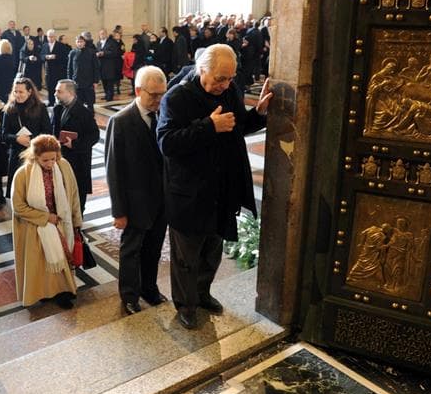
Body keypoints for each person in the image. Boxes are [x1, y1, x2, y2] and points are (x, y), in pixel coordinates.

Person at [157, 44, 272, 329]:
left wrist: (257, 113)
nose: (225, 84)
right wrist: (208, 126)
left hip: (221, 189)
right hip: (189, 194)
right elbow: (166, 143)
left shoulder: (230, 91)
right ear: (202, 70)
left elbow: (235, 126)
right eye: (220, 78)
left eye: (230, 78)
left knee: (212, 249)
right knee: (187, 256)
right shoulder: (177, 97)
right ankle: (185, 305)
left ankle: (203, 293)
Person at [105, 66, 168, 315]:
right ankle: (129, 296)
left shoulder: (163, 116)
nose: (159, 100)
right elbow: (113, 170)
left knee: (154, 248)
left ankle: (149, 289)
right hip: (134, 203)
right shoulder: (120, 121)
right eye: (153, 94)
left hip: (160, 201)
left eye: (162, 94)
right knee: (131, 251)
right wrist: (119, 211)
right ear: (138, 90)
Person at [11, 135, 83, 309]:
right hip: (34, 226)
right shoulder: (23, 174)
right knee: (41, 263)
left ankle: (63, 292)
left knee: (62, 260)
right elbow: (18, 206)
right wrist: (45, 218)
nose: (51, 163)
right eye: (45, 160)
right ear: (35, 156)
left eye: (54, 158)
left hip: (61, 222)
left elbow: (73, 194)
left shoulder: (64, 166)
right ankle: (44, 292)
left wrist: (76, 220)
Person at [52, 79, 99, 214]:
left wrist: (75, 144)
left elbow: (94, 135)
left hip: (78, 161)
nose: (55, 93)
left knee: (78, 194)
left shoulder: (84, 112)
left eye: (59, 91)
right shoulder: (58, 108)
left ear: (70, 93)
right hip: (61, 158)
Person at [2, 77, 52, 197]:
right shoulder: (9, 109)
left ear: (29, 92)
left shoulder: (40, 108)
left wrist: (32, 140)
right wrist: (17, 139)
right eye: (15, 91)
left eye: (21, 92)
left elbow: (48, 132)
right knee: (19, 192)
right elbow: (4, 135)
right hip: (17, 155)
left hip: (35, 154)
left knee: (35, 192)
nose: (17, 95)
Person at [67, 34, 100, 108]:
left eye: (81, 41)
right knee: (78, 104)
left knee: (90, 103)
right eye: (78, 42)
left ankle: (90, 118)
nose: (79, 43)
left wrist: (96, 81)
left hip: (89, 81)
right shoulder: (72, 53)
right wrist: (70, 81)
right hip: (77, 82)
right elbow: (69, 68)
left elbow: (96, 67)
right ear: (76, 43)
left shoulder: (91, 52)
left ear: (84, 42)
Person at [41, 29, 68, 106]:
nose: (50, 38)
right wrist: (46, 57)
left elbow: (64, 57)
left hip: (58, 71)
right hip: (48, 71)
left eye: (52, 37)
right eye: (49, 37)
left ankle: (61, 102)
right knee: (50, 87)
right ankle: (51, 102)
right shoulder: (45, 45)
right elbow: (41, 56)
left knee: (59, 88)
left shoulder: (61, 45)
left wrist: (55, 56)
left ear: (55, 37)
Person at [97, 30, 122, 102]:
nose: (102, 35)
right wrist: (97, 54)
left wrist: (104, 53)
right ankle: (106, 94)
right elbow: (96, 51)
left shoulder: (112, 42)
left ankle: (110, 96)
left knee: (110, 82)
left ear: (106, 34)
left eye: (103, 34)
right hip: (101, 65)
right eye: (101, 34)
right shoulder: (98, 43)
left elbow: (114, 52)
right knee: (104, 81)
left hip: (110, 65)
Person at [0, 38, 17, 104]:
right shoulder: (11, 57)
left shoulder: (0, 57)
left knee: (0, 99)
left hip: (0, 81)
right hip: (9, 80)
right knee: (8, 97)